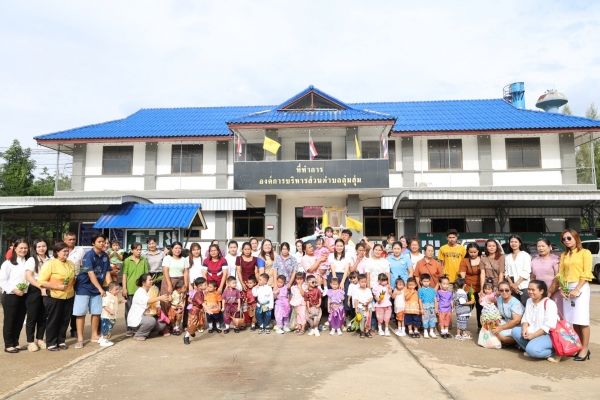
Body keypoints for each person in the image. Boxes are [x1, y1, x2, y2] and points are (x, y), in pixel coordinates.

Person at [552, 229, 593, 361]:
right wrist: (562, 289)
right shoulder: (564, 255)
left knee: (582, 319)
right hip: (566, 287)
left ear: (576, 238)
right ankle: (578, 346)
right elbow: (561, 273)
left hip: (580, 286)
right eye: (564, 239)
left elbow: (586, 272)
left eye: (569, 238)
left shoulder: (585, 253)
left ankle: (585, 349)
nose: (566, 241)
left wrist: (577, 289)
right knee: (574, 319)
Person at [73, 233, 110, 349]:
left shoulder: (105, 256)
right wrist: (100, 289)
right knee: (81, 313)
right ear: (93, 243)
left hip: (97, 288)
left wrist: (110, 288)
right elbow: (90, 273)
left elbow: (107, 272)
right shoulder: (88, 255)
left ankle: (94, 335)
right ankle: (80, 339)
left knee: (96, 312)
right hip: (83, 287)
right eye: (99, 241)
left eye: (103, 241)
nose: (102, 243)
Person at [38, 242, 76, 351]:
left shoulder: (70, 263)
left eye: (67, 251)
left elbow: (73, 278)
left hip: (68, 295)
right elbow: (41, 281)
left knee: (65, 319)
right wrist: (57, 286)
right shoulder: (50, 264)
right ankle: (51, 342)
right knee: (53, 319)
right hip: (54, 296)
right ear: (56, 252)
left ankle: (61, 341)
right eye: (64, 251)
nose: (66, 253)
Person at [511, 280, 560, 362]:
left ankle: (555, 352)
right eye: (529, 289)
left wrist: (533, 335)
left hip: (548, 335)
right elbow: (525, 318)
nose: (530, 292)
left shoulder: (549, 303)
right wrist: (524, 329)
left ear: (541, 291)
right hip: (533, 331)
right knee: (515, 331)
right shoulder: (529, 301)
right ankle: (532, 349)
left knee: (533, 350)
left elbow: (548, 326)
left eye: (533, 290)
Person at [0, 239, 30, 353]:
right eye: (21, 248)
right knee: (10, 320)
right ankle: (8, 345)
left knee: (19, 320)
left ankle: (15, 343)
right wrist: (14, 290)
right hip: (10, 295)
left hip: (24, 295)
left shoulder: (28, 262)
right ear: (15, 248)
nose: (23, 250)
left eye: (25, 248)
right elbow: (2, 281)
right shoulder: (8, 263)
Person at [127, 273, 171, 341]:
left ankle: (145, 332)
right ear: (143, 282)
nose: (151, 281)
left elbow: (156, 301)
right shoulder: (140, 291)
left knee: (162, 325)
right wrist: (160, 298)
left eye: (151, 280)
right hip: (137, 319)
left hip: (146, 317)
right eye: (149, 280)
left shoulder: (151, 290)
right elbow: (148, 301)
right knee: (151, 321)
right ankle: (138, 335)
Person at [24, 238, 50, 352]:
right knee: (32, 316)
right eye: (39, 247)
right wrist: (41, 288)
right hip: (34, 289)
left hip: (47, 289)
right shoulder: (32, 260)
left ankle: (40, 339)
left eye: (43, 246)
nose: (41, 248)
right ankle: (30, 342)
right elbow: (29, 276)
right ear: (35, 248)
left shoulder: (50, 259)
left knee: (43, 316)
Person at [122, 242, 148, 336]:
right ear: (132, 250)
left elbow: (146, 275)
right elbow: (124, 275)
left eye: (140, 249)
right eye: (137, 250)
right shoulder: (127, 260)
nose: (139, 251)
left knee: (141, 309)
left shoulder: (143, 260)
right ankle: (129, 328)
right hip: (130, 289)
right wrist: (124, 288)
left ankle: (137, 327)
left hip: (141, 289)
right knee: (129, 309)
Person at [161, 241, 189, 331]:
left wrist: (185, 285)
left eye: (179, 248)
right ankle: (166, 326)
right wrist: (169, 285)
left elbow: (185, 273)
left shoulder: (184, 259)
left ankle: (176, 326)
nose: (178, 250)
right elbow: (165, 271)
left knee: (179, 303)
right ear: (172, 249)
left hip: (180, 282)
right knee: (166, 302)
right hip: (169, 280)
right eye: (176, 248)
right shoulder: (167, 258)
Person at [531, 238, 562, 314]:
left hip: (554, 292)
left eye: (543, 246)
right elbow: (533, 276)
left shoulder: (556, 259)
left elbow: (558, 277)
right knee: (541, 314)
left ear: (549, 247)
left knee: (555, 313)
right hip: (539, 293)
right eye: (539, 246)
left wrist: (549, 292)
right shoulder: (534, 260)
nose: (541, 248)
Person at [64, 232, 84, 338]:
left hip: (77, 281)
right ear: (64, 240)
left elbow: (83, 266)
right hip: (62, 282)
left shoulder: (80, 250)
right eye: (70, 239)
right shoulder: (60, 249)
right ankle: (62, 330)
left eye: (74, 239)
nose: (72, 241)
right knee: (64, 307)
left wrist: (81, 277)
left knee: (75, 306)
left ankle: (74, 329)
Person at [492, 281, 524, 346]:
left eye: (506, 290)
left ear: (511, 291)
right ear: (498, 291)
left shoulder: (516, 303)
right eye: (501, 290)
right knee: (490, 325)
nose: (504, 292)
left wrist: (501, 328)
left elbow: (516, 321)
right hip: (507, 322)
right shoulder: (500, 299)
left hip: (517, 326)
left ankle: (513, 341)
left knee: (499, 333)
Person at [459, 243, 483, 330]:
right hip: (468, 288)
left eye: (475, 252)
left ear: (478, 251)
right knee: (467, 308)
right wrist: (462, 289)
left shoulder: (483, 259)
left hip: (480, 288)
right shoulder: (464, 261)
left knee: (481, 308)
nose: (473, 254)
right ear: (467, 252)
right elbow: (462, 276)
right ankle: (462, 327)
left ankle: (480, 327)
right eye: (471, 252)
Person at [505, 235, 531, 306]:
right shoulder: (508, 257)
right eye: (511, 242)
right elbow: (506, 272)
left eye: (515, 242)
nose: (513, 244)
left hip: (524, 286)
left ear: (520, 243)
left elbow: (526, 271)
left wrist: (516, 284)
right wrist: (512, 285)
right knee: (514, 307)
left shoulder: (525, 255)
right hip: (512, 287)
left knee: (525, 306)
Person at [478, 279, 502, 349]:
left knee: (491, 327)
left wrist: (492, 299)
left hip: (492, 313)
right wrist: (480, 297)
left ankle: (493, 341)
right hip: (485, 312)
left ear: (492, 289)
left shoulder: (494, 295)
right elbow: (480, 302)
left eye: (489, 289)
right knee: (485, 327)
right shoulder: (483, 295)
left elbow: (496, 302)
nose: (487, 291)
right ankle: (484, 341)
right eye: (485, 289)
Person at [100, 282, 124, 347]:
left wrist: (120, 302)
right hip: (106, 316)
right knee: (106, 328)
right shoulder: (107, 296)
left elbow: (115, 303)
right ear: (110, 290)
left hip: (112, 316)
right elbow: (105, 306)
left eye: (118, 289)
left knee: (109, 328)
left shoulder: (114, 296)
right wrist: (110, 311)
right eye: (116, 289)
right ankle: (104, 340)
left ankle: (102, 339)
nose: (118, 291)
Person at [184, 277, 207, 345]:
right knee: (192, 324)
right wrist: (208, 309)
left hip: (199, 311)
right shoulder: (197, 294)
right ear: (200, 286)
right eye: (205, 285)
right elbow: (202, 303)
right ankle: (186, 336)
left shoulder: (201, 292)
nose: (206, 286)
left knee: (199, 323)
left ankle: (192, 331)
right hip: (194, 311)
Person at [353, 273, 373, 339]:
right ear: (359, 282)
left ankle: (367, 331)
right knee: (361, 319)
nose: (364, 283)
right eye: (362, 282)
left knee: (368, 319)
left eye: (365, 282)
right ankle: (362, 331)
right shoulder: (357, 291)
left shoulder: (368, 290)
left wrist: (370, 300)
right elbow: (356, 300)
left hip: (368, 307)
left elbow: (371, 297)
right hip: (361, 307)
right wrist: (356, 308)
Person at [418, 273, 438, 339]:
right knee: (425, 319)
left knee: (432, 319)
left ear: (430, 281)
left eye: (427, 281)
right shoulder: (420, 290)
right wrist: (421, 308)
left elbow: (435, 299)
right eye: (424, 281)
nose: (426, 283)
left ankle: (431, 331)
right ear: (421, 282)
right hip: (425, 307)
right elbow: (420, 299)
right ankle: (425, 331)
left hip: (432, 307)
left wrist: (436, 307)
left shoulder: (432, 290)